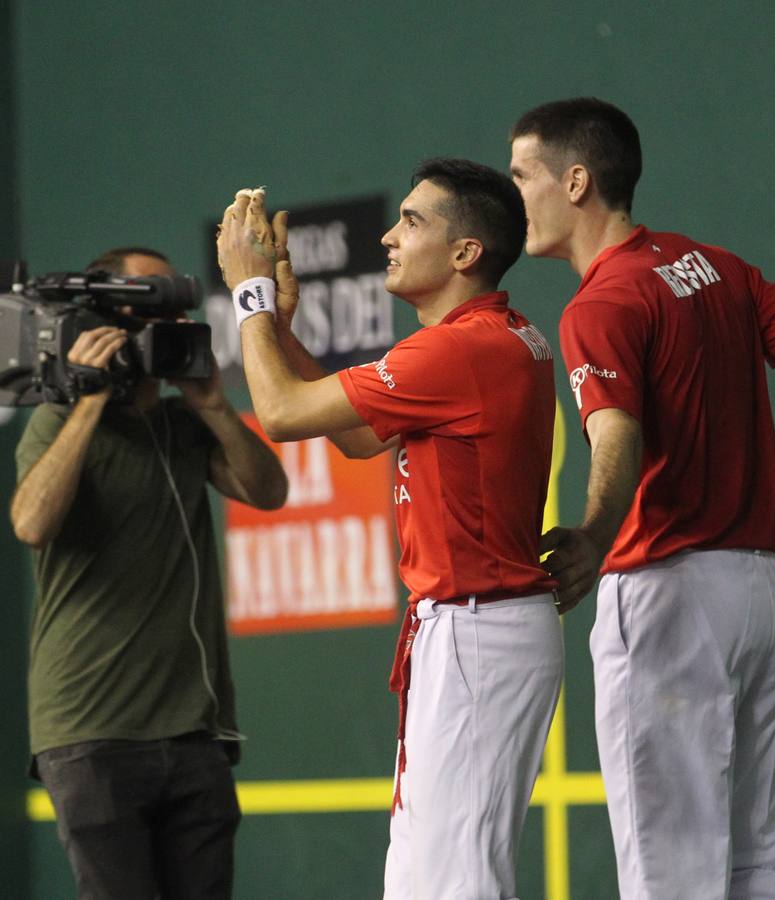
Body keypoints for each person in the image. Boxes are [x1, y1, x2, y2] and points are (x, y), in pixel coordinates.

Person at [508, 97, 775, 899]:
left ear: (575, 182)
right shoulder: (715, 268)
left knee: (670, 878)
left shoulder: (598, 305)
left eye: (522, 176)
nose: (513, 196)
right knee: (760, 869)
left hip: (669, 601)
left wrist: (597, 536)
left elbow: (618, 439)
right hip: (762, 599)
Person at [215, 161, 562, 900]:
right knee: (420, 881)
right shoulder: (488, 339)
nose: (387, 236)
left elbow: (277, 412)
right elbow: (359, 438)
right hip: (474, 631)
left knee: (454, 884)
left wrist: (245, 291)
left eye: (412, 221)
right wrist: (277, 325)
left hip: (476, 630)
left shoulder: (459, 350)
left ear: (466, 253)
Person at [10, 246, 289, 900]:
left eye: (171, 308)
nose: (155, 329)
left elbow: (268, 490)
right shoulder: (54, 418)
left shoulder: (181, 426)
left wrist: (215, 406)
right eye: (143, 308)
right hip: (90, 732)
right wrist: (86, 402)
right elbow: (31, 523)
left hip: (194, 733)